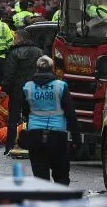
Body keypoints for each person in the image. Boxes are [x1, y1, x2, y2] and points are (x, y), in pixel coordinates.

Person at [21, 55, 79, 185]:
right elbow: (70, 113)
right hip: (57, 134)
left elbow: (25, 110)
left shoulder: (27, 87)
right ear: (52, 68)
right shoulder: (61, 86)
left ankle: (44, 202)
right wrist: (76, 138)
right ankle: (60, 202)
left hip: (34, 134)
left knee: (40, 176)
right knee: (61, 174)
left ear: (37, 68)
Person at [3, 28, 44, 154]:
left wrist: (5, 89)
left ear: (20, 39)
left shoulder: (14, 53)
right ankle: (34, 145)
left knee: (13, 119)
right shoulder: (40, 52)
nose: (14, 40)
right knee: (33, 118)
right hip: (33, 89)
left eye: (15, 38)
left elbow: (9, 73)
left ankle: (10, 146)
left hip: (17, 89)